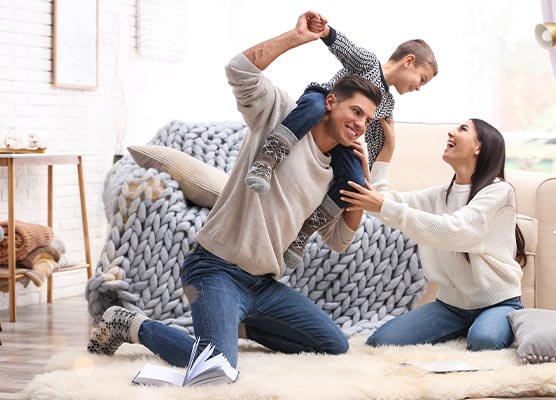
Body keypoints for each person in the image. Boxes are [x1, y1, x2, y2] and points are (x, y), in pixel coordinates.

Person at [87, 11, 382, 368]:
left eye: (367, 119)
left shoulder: (339, 170)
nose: (360, 125)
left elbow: (339, 241)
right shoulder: (280, 114)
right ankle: (130, 324)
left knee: (333, 344)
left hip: (263, 286)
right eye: (356, 111)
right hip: (215, 269)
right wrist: (295, 37)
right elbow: (239, 70)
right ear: (331, 102)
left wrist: (360, 184)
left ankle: (233, 323)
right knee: (216, 366)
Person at [243, 13, 438, 267]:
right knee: (314, 107)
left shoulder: (386, 105)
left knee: (355, 181)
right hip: (323, 104)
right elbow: (348, 51)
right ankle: (267, 159)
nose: (419, 88)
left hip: (341, 139)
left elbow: (375, 146)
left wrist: (386, 149)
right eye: (421, 79)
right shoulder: (369, 64)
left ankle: (305, 232)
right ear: (409, 61)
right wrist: (325, 32)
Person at [341, 118, 527, 351]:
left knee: (485, 340)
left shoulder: (499, 191)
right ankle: (467, 328)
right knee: (381, 342)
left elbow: (455, 231)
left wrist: (383, 206)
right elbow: (381, 205)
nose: (451, 131)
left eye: (463, 129)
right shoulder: (440, 195)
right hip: (450, 307)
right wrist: (386, 151)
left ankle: (499, 321)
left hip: (497, 302)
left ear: (478, 147)